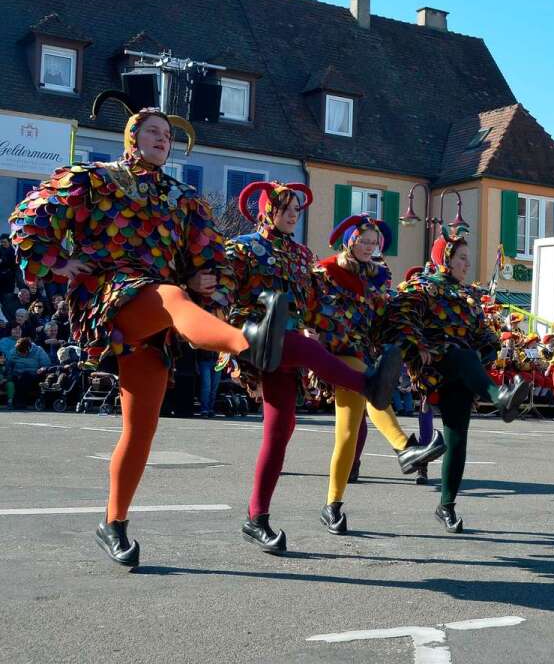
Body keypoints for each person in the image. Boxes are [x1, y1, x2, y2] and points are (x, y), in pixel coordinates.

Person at [8, 99, 290, 566]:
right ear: (132, 138)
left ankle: (113, 523)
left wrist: (204, 279)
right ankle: (249, 343)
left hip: (155, 321)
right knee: (170, 296)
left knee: (142, 428)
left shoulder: (185, 197)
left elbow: (209, 257)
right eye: (154, 131)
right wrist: (58, 261)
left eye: (169, 135)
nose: (163, 139)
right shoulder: (94, 179)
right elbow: (27, 218)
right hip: (111, 295)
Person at [223, 185, 410, 553]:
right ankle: (367, 384)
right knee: (303, 347)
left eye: (296, 209)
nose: (294, 214)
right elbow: (222, 291)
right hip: (252, 336)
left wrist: (312, 321)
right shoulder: (242, 246)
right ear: (266, 210)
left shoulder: (300, 254)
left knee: (280, 431)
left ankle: (256, 518)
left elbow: (310, 302)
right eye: (286, 208)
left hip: (286, 343)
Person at [379, 227, 531, 532]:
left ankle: (446, 506)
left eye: (467, 258)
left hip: (462, 370)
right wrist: (417, 347)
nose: (467, 264)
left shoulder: (467, 296)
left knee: (458, 437)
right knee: (463, 356)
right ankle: (501, 399)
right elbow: (401, 318)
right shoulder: (421, 287)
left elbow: (482, 335)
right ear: (445, 259)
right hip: (434, 363)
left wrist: (491, 344)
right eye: (462, 258)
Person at [315, 214, 445, 536]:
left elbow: (385, 314)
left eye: (375, 243)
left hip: (363, 353)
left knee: (346, 436)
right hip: (335, 352)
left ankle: (331, 506)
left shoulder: (379, 276)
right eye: (364, 241)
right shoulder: (327, 271)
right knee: (371, 387)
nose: (370, 247)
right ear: (350, 241)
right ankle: (404, 448)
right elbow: (310, 305)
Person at [4, 336, 50, 408]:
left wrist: (42, 369)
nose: (22, 354)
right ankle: (13, 402)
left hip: (33, 375)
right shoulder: (13, 352)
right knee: (13, 379)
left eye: (23, 353)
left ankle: (21, 402)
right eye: (20, 352)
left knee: (25, 377)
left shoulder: (39, 351)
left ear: (29, 348)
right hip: (17, 374)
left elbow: (46, 364)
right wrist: (10, 373)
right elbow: (8, 365)